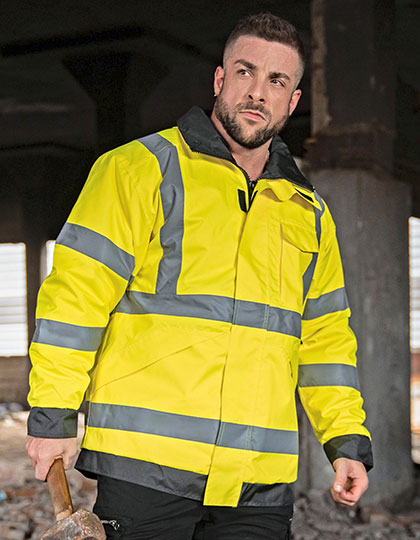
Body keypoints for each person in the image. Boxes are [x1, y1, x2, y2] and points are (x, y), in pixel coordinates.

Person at [26, 12, 373, 540]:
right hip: (145, 470)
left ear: (293, 101)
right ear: (219, 79)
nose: (257, 92)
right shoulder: (139, 170)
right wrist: (53, 416)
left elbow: (325, 338)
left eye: (277, 81)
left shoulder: (309, 213)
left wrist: (345, 440)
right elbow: (75, 300)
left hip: (258, 484)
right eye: (245, 72)